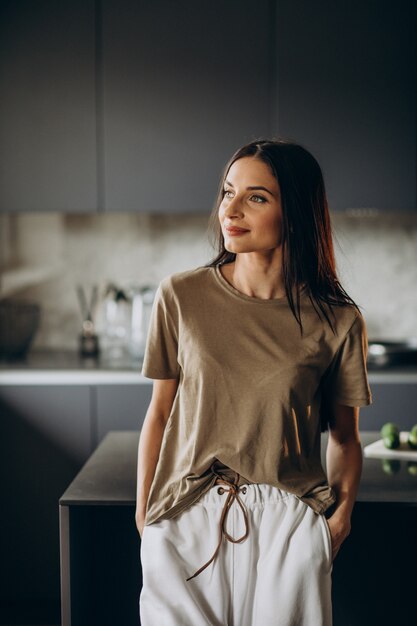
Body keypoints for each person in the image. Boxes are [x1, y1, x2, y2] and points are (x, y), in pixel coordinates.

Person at [135, 138, 373, 626]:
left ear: (297, 213)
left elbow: (345, 438)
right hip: (185, 514)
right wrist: (147, 516)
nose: (231, 209)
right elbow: (160, 412)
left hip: (289, 524)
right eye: (227, 192)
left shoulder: (338, 321)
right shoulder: (181, 295)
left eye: (256, 197)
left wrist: (339, 521)